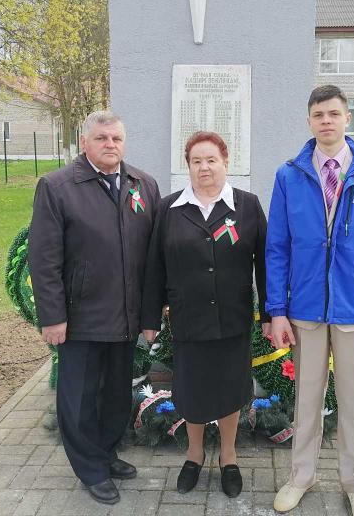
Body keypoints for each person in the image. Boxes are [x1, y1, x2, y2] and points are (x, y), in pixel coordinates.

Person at [266, 85, 354, 516]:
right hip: (305, 310)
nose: (326, 121)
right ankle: (300, 477)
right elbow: (277, 248)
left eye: (333, 113)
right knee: (306, 402)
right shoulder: (290, 176)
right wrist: (277, 310)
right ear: (309, 121)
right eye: (318, 114)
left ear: (347, 119)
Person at [28, 111, 160, 505]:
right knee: (80, 398)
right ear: (84, 142)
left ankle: (105, 453)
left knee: (117, 395)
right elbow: (44, 258)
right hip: (81, 318)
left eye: (117, 138)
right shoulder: (57, 187)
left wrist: (150, 316)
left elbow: (153, 259)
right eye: (102, 138)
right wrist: (52, 317)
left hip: (126, 317)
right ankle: (89, 468)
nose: (110, 145)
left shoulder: (143, 185)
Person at [141, 131, 268, 498]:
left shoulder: (246, 205)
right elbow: (154, 267)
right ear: (188, 166)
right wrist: (150, 318)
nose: (204, 167)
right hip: (188, 319)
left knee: (230, 389)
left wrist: (272, 314)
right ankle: (194, 455)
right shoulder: (169, 209)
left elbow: (266, 265)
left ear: (226, 162)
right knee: (193, 391)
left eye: (211, 159)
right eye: (196, 161)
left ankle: (228, 457)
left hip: (233, 318)